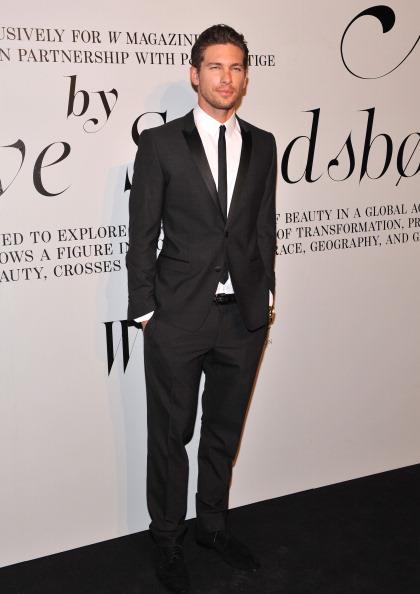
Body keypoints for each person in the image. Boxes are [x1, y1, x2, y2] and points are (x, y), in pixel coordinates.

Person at [126, 24, 277, 594]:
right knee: (170, 436)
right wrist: (146, 312)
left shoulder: (263, 143)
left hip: (243, 319)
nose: (226, 78)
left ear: (245, 77)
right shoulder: (161, 144)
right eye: (215, 67)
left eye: (236, 67)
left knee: (222, 431)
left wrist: (266, 294)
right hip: (178, 319)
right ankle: (167, 539)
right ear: (195, 75)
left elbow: (263, 226)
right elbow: (142, 234)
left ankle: (212, 527)